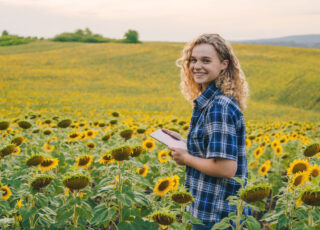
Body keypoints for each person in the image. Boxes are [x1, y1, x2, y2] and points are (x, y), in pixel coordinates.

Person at [162, 33, 250, 230]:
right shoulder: (209, 102)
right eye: (193, 60)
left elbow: (226, 168)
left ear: (224, 64)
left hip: (218, 216)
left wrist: (186, 158)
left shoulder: (219, 106)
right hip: (209, 211)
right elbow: (214, 153)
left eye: (206, 60)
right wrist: (186, 145)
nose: (196, 66)